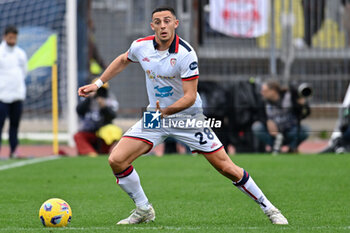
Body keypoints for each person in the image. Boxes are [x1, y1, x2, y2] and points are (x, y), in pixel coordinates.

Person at [78, 7, 288, 225]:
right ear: (152, 26)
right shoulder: (141, 46)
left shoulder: (185, 54)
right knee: (116, 160)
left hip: (187, 117)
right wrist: (97, 84)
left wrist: (166, 112)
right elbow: (123, 60)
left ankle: (269, 208)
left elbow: (189, 96)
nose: (162, 26)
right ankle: (143, 209)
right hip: (156, 116)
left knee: (226, 167)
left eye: (167, 21)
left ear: (175, 24)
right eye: (157, 22)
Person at [252, 80, 310, 154]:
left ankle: (292, 148)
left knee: (305, 129)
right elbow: (259, 116)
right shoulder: (263, 102)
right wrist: (267, 122)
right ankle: (275, 148)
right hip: (274, 134)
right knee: (257, 127)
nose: (262, 93)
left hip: (290, 131)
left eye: (264, 91)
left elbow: (303, 114)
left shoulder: (290, 97)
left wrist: (303, 105)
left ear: (273, 91)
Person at [0, 25, 28, 158]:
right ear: (5, 37)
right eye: (10, 37)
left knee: (14, 124)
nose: (12, 40)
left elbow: (24, 72)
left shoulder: (20, 54)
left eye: (14, 37)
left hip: (17, 95)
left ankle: (13, 150)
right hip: (2, 96)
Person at [74, 81, 120, 157]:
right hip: (88, 130)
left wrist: (104, 107)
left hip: (103, 130)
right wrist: (89, 98)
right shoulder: (86, 99)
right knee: (78, 136)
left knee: (114, 132)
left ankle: (104, 152)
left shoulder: (110, 99)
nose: (99, 92)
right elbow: (79, 111)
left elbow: (112, 116)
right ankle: (90, 153)